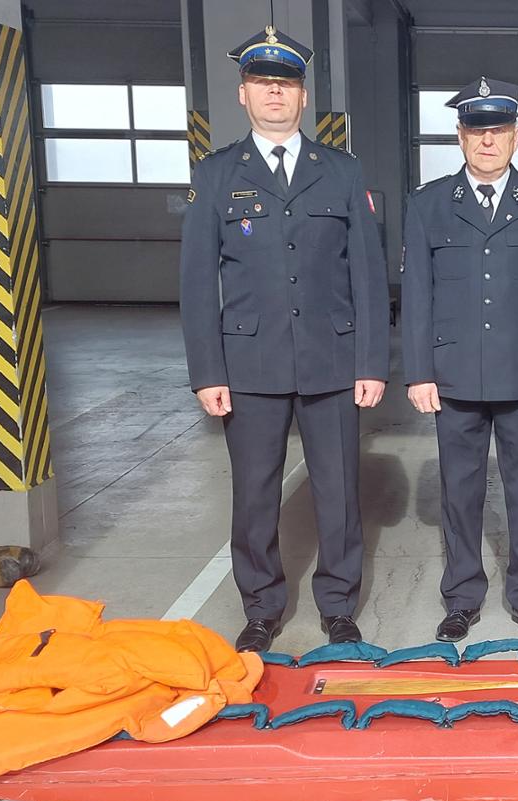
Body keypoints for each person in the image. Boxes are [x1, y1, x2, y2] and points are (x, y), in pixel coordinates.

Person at [178, 26, 389, 652]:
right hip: (249, 363)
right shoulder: (217, 174)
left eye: (286, 83)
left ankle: (338, 605)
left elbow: (368, 275)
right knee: (254, 495)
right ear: (243, 94)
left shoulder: (342, 171)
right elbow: (197, 283)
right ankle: (262, 607)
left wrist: (371, 362)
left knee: (339, 491)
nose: (275, 92)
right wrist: (207, 372)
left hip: (332, 359)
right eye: (263, 82)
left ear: (303, 96)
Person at [401, 77, 518, 643]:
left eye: (498, 130)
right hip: (454, 375)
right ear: (460, 136)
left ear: (515, 137)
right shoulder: (428, 205)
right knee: (460, 493)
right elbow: (418, 295)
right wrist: (418, 372)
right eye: (476, 130)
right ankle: (462, 598)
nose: (487, 141)